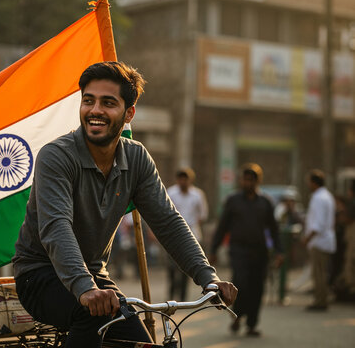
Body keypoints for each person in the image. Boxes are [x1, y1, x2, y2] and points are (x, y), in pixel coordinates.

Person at [12, 61, 237, 347]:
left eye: (108, 103)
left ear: (129, 113)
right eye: (88, 101)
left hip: (95, 275)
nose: (95, 110)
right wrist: (84, 288)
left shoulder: (137, 158)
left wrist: (208, 278)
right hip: (40, 275)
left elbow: (168, 221)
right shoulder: (56, 156)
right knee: (91, 315)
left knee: (138, 342)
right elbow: (57, 227)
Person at [210, 163, 282, 337]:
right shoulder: (233, 200)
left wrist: (280, 251)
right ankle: (237, 316)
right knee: (240, 283)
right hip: (238, 250)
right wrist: (213, 250)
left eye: (251, 180)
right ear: (241, 180)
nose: (248, 182)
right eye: (245, 179)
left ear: (257, 181)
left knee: (257, 287)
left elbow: (274, 229)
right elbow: (222, 227)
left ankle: (251, 324)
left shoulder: (265, 202)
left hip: (259, 251)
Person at [166, 167, 208, 301]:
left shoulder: (197, 194)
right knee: (172, 267)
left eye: (186, 179)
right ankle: (172, 293)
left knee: (187, 266)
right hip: (173, 234)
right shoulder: (170, 192)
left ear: (190, 180)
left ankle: (183, 297)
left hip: (192, 234)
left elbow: (203, 214)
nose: (183, 182)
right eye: (181, 179)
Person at [302, 169, 336, 311]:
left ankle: (320, 301)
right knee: (321, 272)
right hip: (324, 240)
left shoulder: (319, 198)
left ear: (314, 183)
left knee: (319, 274)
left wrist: (307, 238)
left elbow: (319, 224)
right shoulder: (326, 196)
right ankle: (321, 299)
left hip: (319, 241)